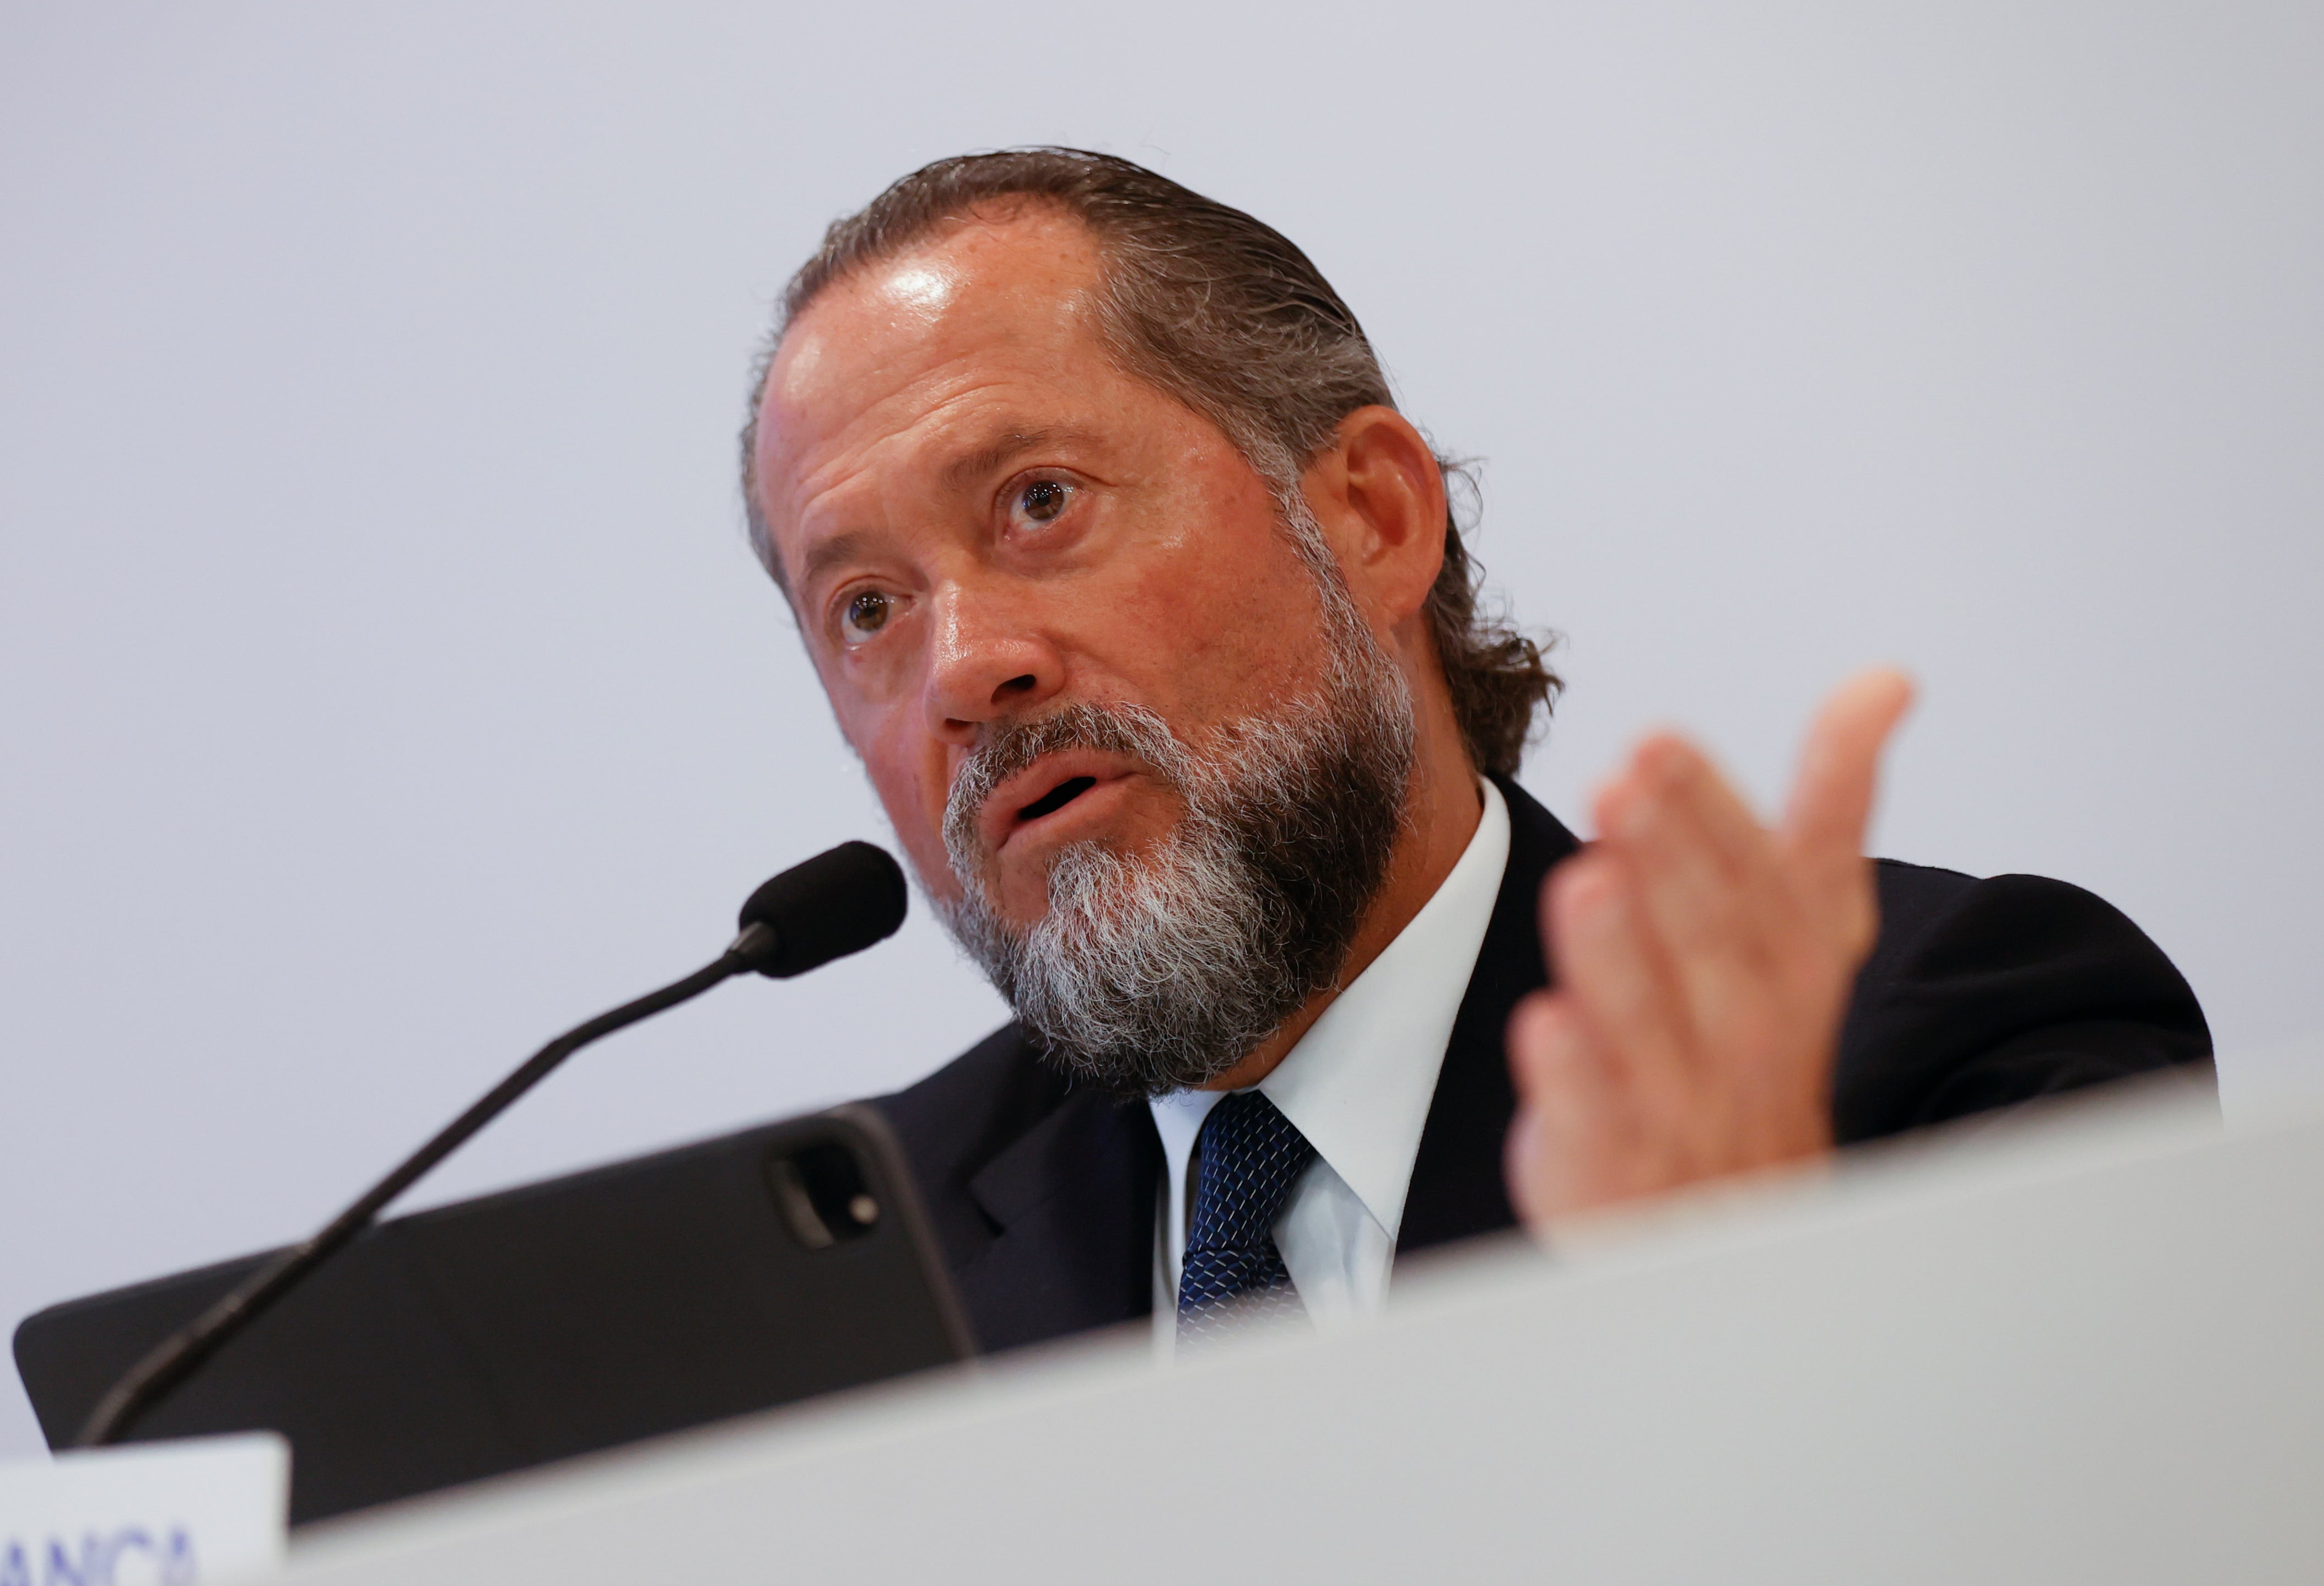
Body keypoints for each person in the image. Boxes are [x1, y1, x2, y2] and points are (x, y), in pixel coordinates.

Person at [740, 148, 2212, 1354]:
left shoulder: (1930, 1048)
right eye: (866, 607)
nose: (962, 670)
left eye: (1040, 502)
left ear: (1371, 516)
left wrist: (1737, 1314)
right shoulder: (863, 1282)